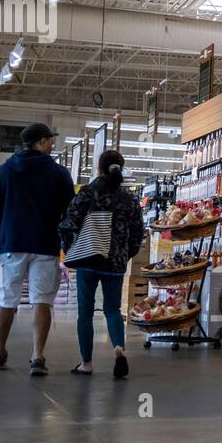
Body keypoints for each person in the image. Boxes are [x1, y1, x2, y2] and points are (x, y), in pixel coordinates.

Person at [0, 122, 76, 376]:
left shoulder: (3, 173)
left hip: (13, 244)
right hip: (45, 245)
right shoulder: (59, 174)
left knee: (7, 300)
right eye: (50, 140)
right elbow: (70, 213)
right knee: (42, 301)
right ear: (41, 142)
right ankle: (37, 357)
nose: (53, 145)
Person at [59, 149, 145, 379]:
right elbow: (138, 231)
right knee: (112, 310)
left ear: (99, 168)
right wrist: (126, 254)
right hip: (115, 262)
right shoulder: (129, 197)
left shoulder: (88, 192)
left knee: (85, 314)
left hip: (88, 259)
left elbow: (68, 223)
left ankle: (86, 363)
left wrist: (71, 249)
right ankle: (119, 347)